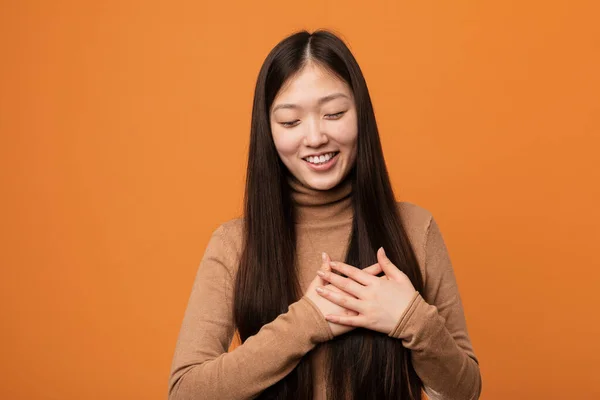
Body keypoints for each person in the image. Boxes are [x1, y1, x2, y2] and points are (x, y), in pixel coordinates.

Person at [168, 29, 482, 400]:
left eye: (334, 113)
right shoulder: (234, 243)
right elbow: (186, 392)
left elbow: (465, 391)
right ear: (268, 131)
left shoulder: (415, 228)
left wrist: (411, 318)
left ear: (360, 114)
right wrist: (309, 320)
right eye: (290, 122)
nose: (315, 136)